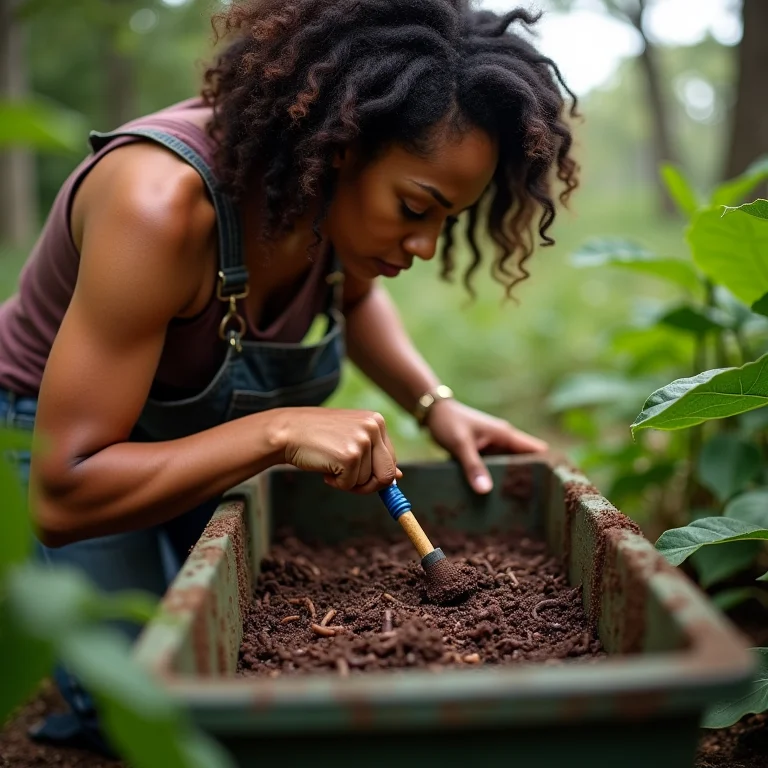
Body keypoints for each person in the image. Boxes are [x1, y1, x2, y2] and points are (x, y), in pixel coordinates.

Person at [0, 0, 578, 754]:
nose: (428, 247)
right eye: (414, 208)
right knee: (151, 710)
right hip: (64, 440)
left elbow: (355, 295)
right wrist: (278, 431)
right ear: (342, 147)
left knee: (230, 642)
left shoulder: (318, 196)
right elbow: (65, 489)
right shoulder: (161, 206)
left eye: (449, 221)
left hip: (189, 433)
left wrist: (436, 404)